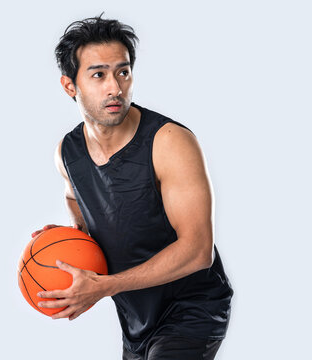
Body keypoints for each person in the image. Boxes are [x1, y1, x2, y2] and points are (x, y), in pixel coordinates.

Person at [31, 14, 234, 360]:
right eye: (98, 75)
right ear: (70, 86)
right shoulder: (68, 153)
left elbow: (199, 251)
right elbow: (75, 199)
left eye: (122, 72)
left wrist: (104, 286)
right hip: (136, 318)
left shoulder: (170, 143)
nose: (115, 87)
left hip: (193, 309)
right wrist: (72, 238)